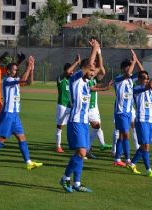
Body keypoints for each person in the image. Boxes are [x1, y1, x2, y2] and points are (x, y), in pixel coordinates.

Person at [0, 56, 43, 170]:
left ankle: (28, 162)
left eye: (17, 70)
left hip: (15, 115)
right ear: (9, 71)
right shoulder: (7, 80)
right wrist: (28, 67)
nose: (16, 71)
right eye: (15, 69)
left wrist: (31, 69)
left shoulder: (15, 81)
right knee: (1, 139)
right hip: (7, 115)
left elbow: (30, 82)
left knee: (22, 138)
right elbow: (24, 80)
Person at [60, 39, 99, 193]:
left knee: (80, 154)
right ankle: (64, 178)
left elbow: (92, 68)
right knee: (82, 152)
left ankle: (76, 183)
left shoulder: (86, 84)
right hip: (75, 121)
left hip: (83, 123)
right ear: (84, 69)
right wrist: (95, 49)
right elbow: (89, 64)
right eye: (91, 70)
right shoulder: (76, 78)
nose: (93, 72)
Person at [127, 62, 152, 178]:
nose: (146, 79)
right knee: (145, 146)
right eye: (144, 78)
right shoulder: (137, 89)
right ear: (138, 79)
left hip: (150, 121)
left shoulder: (150, 90)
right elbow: (148, 86)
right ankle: (148, 169)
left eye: (147, 78)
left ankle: (132, 163)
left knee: (145, 146)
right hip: (142, 120)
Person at [113, 49, 143, 167]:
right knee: (126, 135)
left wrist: (136, 61)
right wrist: (133, 63)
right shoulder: (118, 79)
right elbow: (127, 74)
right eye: (126, 67)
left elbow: (142, 72)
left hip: (128, 111)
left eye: (128, 66)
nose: (127, 68)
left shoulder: (131, 79)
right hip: (120, 111)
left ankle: (117, 159)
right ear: (122, 69)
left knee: (122, 135)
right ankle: (128, 159)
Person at [86, 47, 112, 159]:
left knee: (95, 127)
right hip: (85, 108)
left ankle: (88, 149)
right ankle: (85, 151)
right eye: (93, 64)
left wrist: (99, 52)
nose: (94, 66)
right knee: (89, 129)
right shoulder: (84, 78)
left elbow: (102, 71)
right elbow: (92, 88)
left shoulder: (92, 77)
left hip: (92, 107)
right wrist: (104, 89)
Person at [55, 55, 81, 153]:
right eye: (71, 70)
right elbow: (66, 72)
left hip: (71, 107)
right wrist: (76, 63)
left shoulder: (72, 80)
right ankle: (58, 146)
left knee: (75, 125)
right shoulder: (60, 79)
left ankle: (75, 145)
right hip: (62, 106)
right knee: (60, 126)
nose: (72, 72)